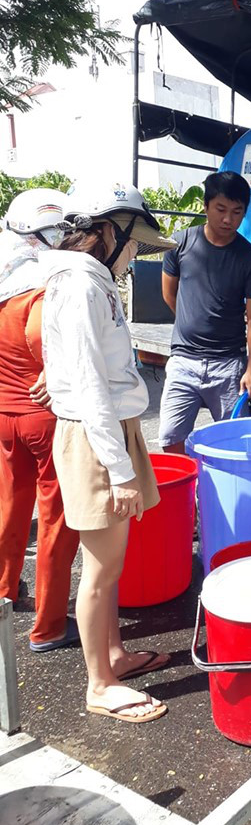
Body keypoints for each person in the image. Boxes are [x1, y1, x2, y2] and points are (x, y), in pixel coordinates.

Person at [41, 183, 177, 723]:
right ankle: (99, 685)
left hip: (111, 430)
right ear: (104, 233)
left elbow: (75, 368)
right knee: (99, 569)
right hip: (98, 437)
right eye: (134, 243)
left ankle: (115, 655)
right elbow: (90, 385)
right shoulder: (80, 286)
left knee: (113, 563)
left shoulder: (92, 282)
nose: (136, 255)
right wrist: (119, 471)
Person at [0, 189, 80, 651]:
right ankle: (49, 626)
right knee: (55, 520)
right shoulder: (47, 288)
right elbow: (54, 352)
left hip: (6, 416)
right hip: (45, 422)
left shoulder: (4, 279)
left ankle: (6, 591)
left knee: (10, 508)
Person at [159, 171, 251, 453]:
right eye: (220, 209)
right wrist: (192, 321)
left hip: (228, 366)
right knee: (171, 439)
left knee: (235, 444)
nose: (228, 219)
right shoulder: (179, 245)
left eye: (237, 212)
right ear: (206, 206)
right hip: (183, 361)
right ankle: (186, 493)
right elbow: (169, 294)